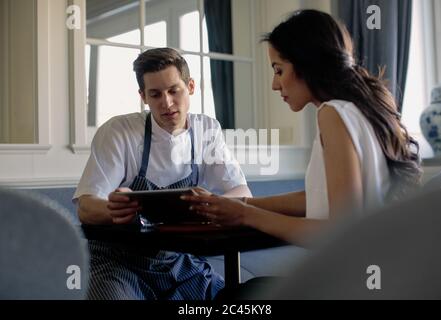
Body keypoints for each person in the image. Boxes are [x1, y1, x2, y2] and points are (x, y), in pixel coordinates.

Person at [182, 10, 422, 247]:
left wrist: (244, 214)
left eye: (279, 70)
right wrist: (241, 203)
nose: (275, 85)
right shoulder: (363, 108)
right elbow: (319, 199)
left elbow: (340, 231)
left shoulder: (333, 113)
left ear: (306, 63)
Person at [73, 47, 252, 300]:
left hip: (177, 262)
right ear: (143, 96)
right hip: (118, 264)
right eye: (155, 94)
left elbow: (243, 192)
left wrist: (208, 204)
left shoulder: (207, 130)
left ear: (190, 86)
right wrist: (114, 210)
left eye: (173, 91)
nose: (166, 103)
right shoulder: (119, 132)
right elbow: (86, 207)